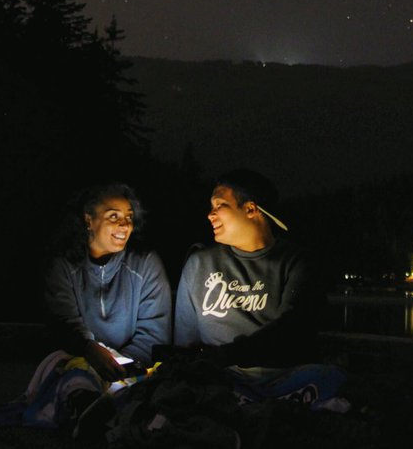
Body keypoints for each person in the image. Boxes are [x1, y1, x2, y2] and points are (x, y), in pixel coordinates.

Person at [172, 169, 343, 406]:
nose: (210, 214)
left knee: (329, 378)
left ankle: (258, 405)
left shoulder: (296, 262)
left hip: (282, 374)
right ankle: (262, 406)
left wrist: (227, 354)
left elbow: (291, 326)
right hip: (222, 376)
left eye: (220, 205)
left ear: (251, 210)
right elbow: (186, 337)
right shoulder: (199, 264)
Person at [36, 182, 172, 432]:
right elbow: (64, 321)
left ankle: (116, 410)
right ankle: (86, 408)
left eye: (129, 217)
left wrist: (121, 366)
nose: (124, 225)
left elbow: (154, 331)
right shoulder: (64, 266)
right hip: (81, 359)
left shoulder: (145, 264)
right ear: (89, 220)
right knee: (64, 367)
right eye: (114, 216)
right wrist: (89, 350)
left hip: (134, 365)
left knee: (159, 379)